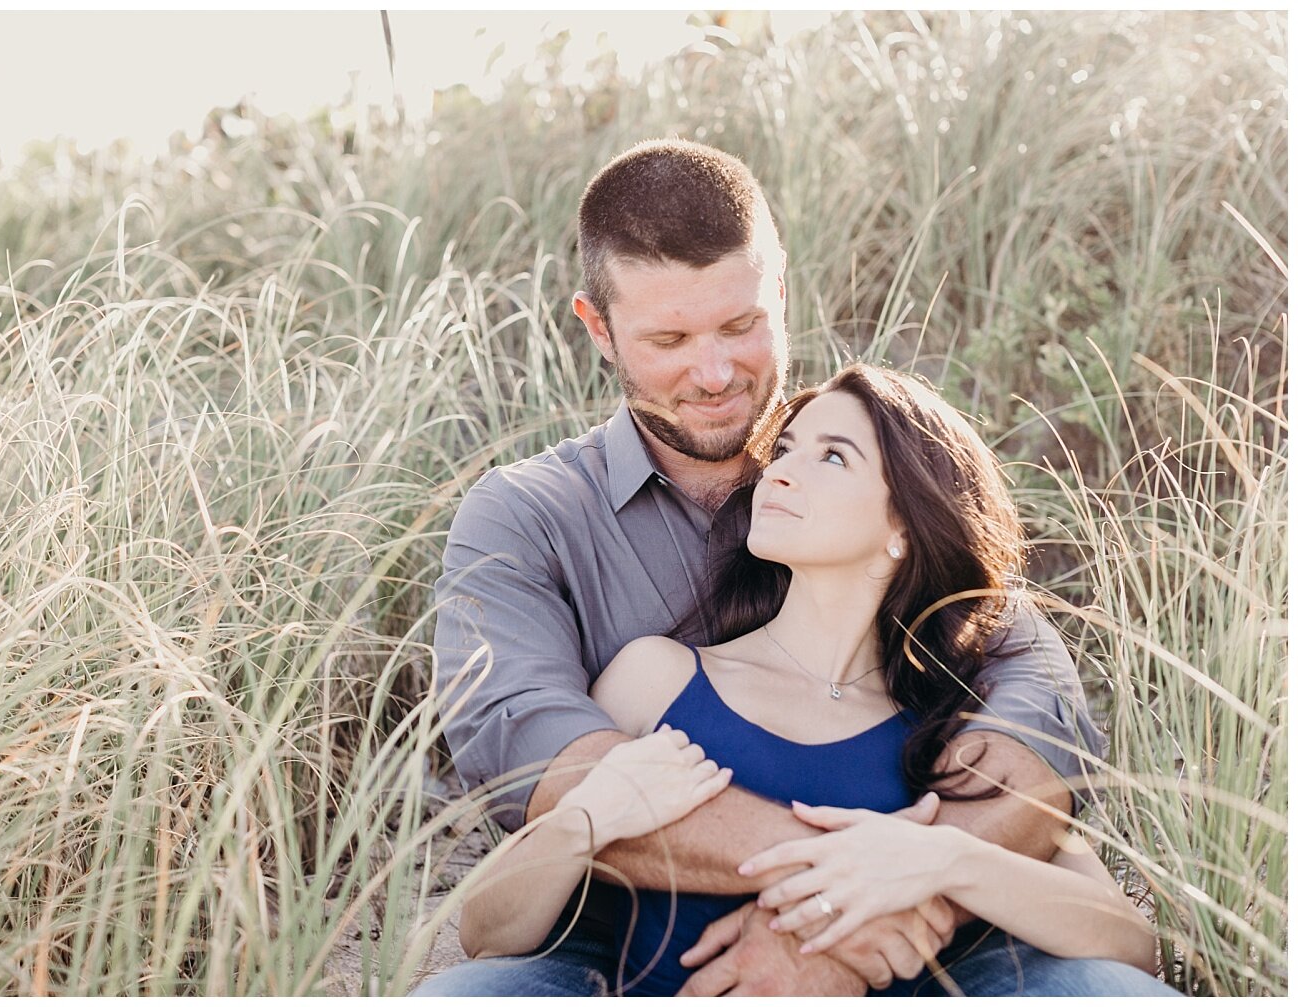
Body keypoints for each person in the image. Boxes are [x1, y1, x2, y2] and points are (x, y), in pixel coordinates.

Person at [415, 140, 1150, 996]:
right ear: (598, 328)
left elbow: (1026, 671)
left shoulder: (872, 464)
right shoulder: (528, 517)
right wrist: (842, 888)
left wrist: (919, 878)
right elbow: (542, 763)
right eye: (670, 338)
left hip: (920, 927)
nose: (717, 372)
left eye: (740, 324)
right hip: (636, 937)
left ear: (781, 292)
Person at [450, 364, 1169, 995]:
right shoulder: (658, 678)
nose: (782, 470)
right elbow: (485, 930)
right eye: (786, 448)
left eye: (833, 456)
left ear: (904, 524)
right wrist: (586, 817)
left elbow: (1130, 944)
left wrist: (945, 857)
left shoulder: (948, 718)